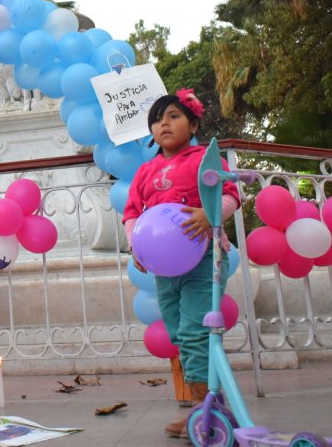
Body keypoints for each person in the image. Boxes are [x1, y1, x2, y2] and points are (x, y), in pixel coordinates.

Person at [121, 89, 240, 438]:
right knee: (177, 333)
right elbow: (132, 213)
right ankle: (208, 411)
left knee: (194, 331)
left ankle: (209, 414)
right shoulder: (146, 171)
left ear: (193, 122)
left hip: (202, 260)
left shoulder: (205, 158)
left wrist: (209, 213)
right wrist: (138, 249)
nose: (164, 124)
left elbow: (232, 194)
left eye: (173, 116)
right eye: (157, 120)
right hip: (163, 268)